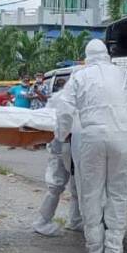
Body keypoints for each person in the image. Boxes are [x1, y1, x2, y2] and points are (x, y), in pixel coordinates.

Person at [55, 39, 127, 253]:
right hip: (121, 136)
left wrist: (60, 136)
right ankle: (114, 249)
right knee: (118, 192)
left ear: (88, 56)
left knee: (91, 191)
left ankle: (94, 247)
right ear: (106, 54)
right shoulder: (123, 75)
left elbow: (65, 110)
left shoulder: (79, 77)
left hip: (90, 137)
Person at [32, 92, 82, 236]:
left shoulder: (60, 96)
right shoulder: (68, 97)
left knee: (75, 185)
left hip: (66, 144)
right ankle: (42, 221)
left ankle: (75, 220)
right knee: (56, 184)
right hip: (63, 144)